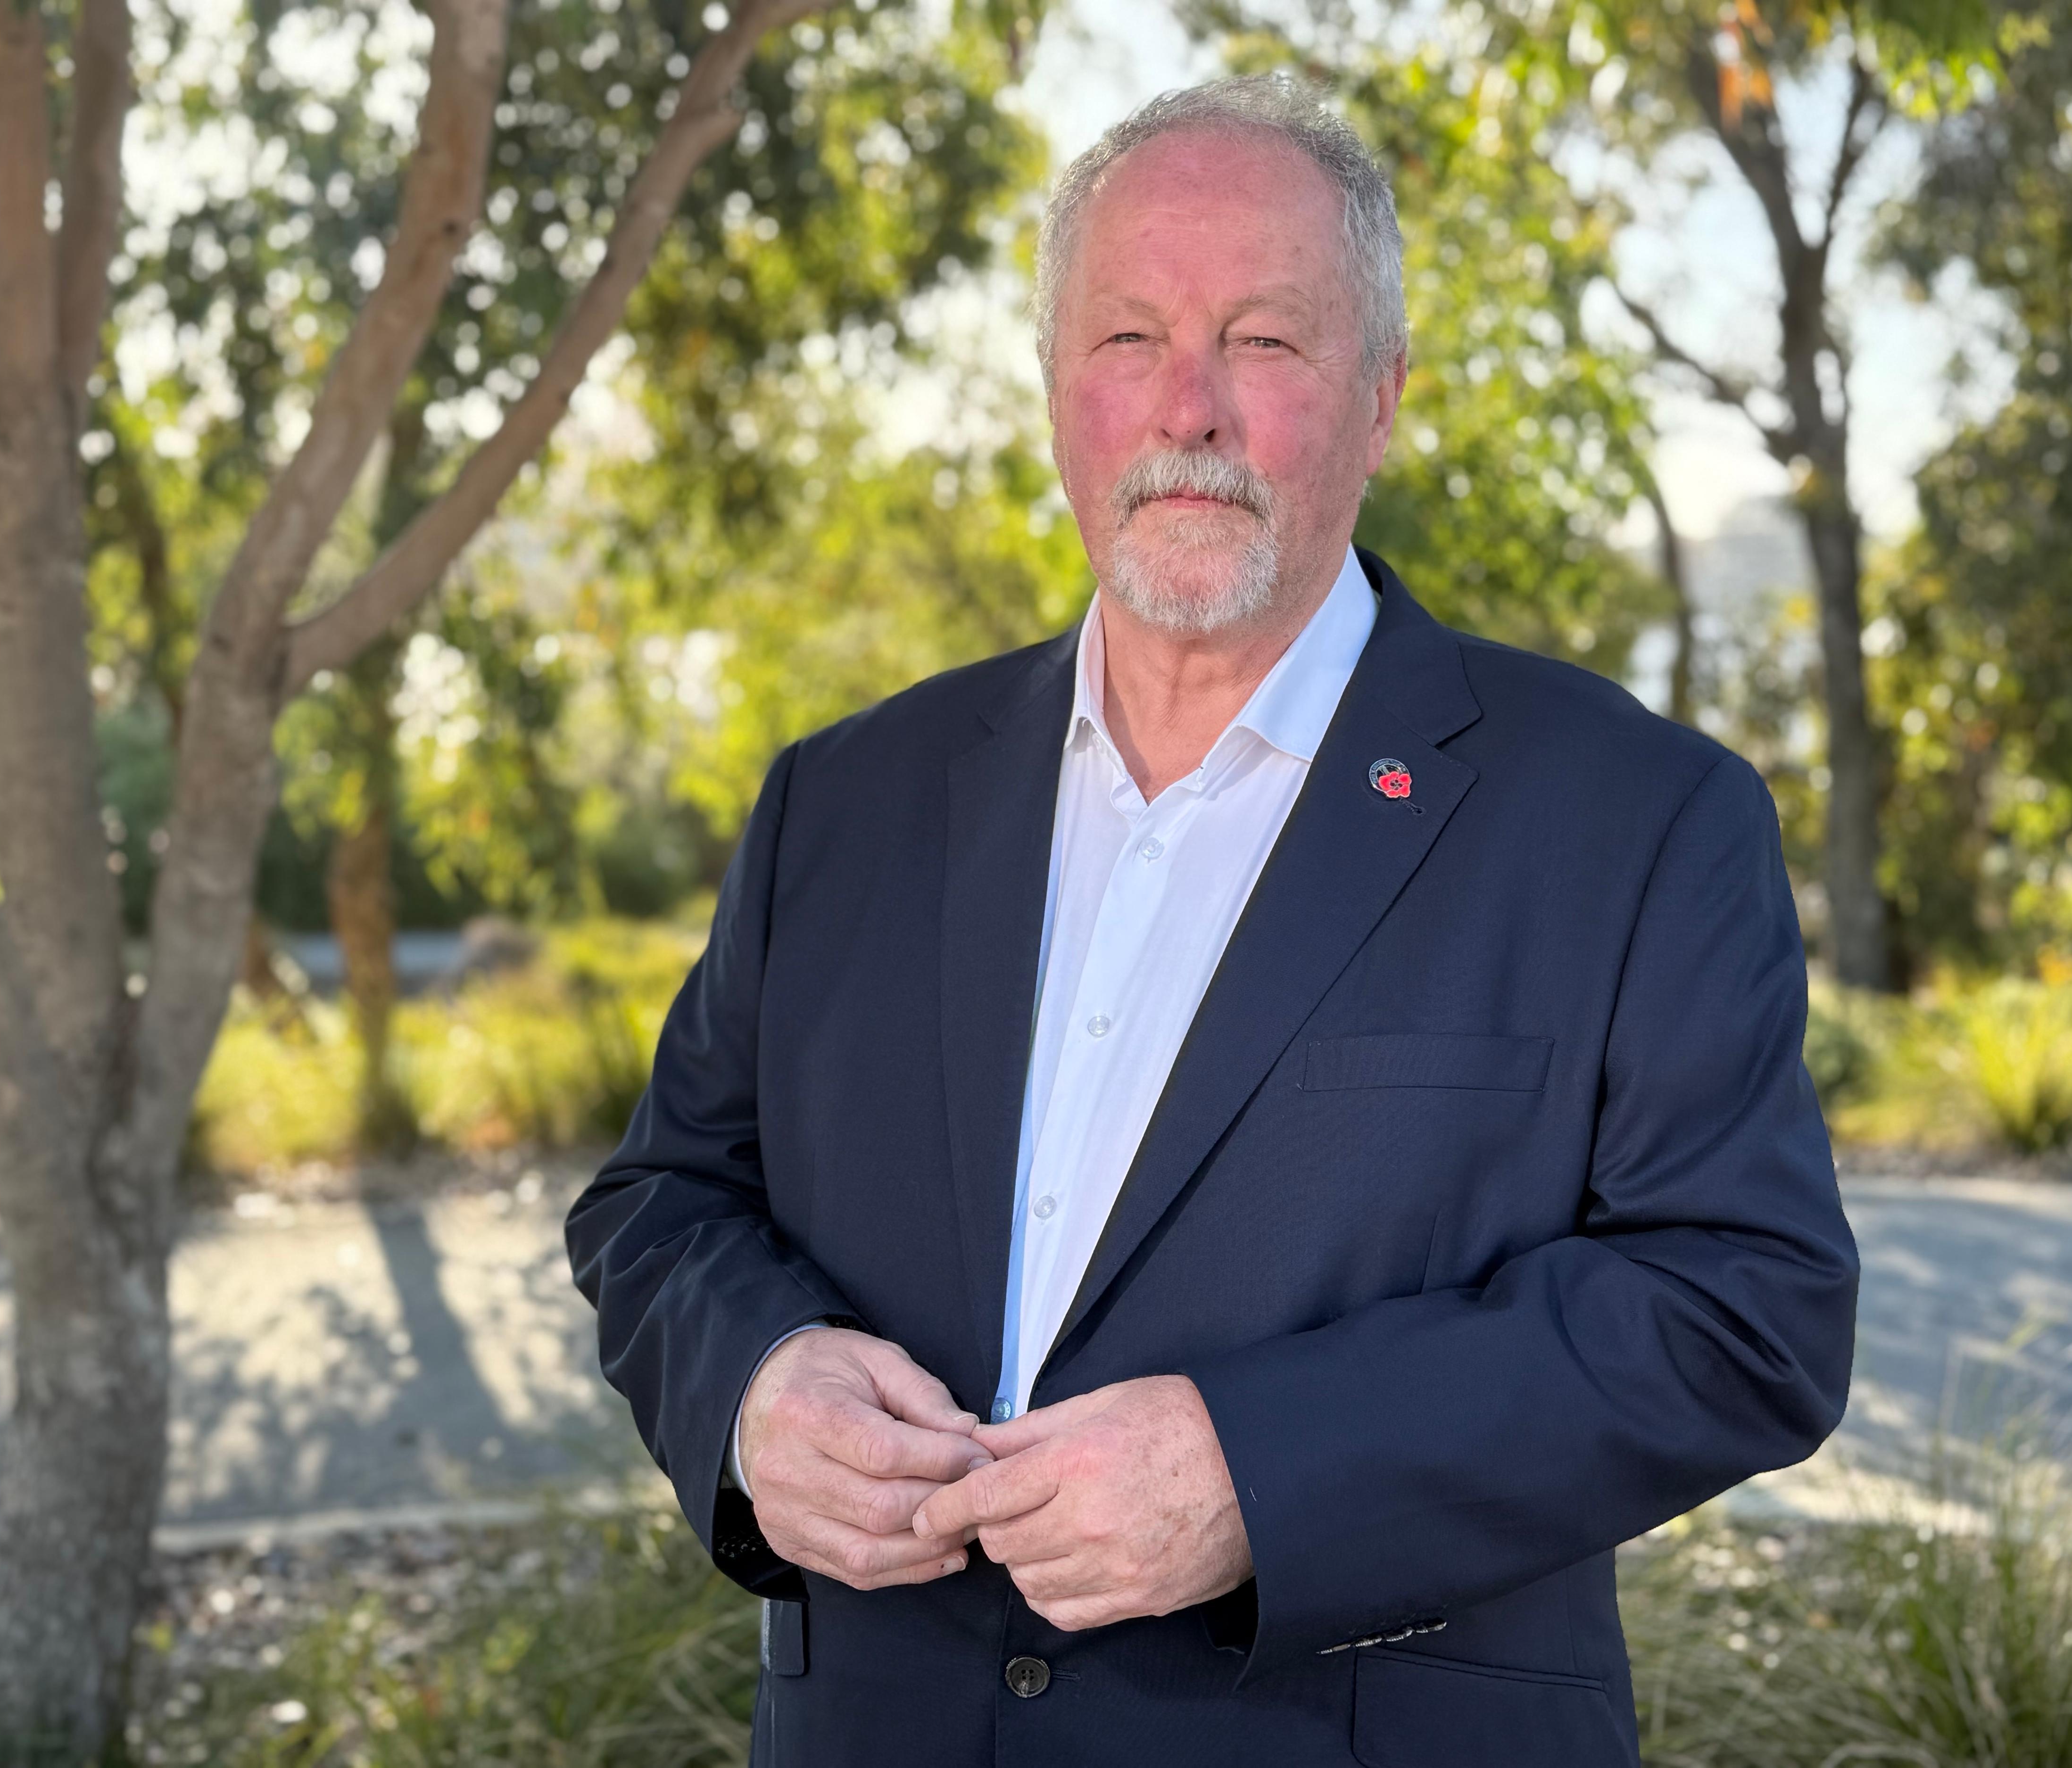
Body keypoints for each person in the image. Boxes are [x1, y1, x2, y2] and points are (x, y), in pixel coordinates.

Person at [567, 73, 1859, 1768]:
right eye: (1126, 342)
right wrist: (755, 1386)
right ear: (1055, 395)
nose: (1189, 408)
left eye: (1265, 341)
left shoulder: (1634, 819)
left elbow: (1745, 1307)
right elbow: (665, 1202)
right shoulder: (846, 803)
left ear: (1379, 400)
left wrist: (1264, 1475)